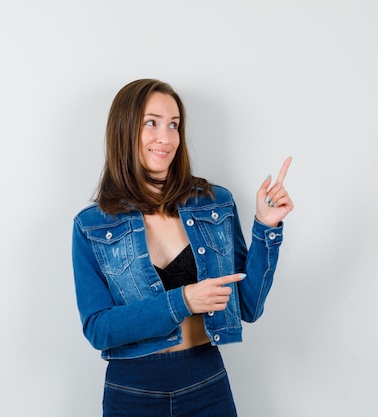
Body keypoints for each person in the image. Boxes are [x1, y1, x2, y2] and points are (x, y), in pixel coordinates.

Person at [71, 79, 293, 417]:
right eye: (152, 123)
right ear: (124, 129)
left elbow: (248, 305)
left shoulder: (214, 205)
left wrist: (266, 227)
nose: (166, 137)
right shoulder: (92, 225)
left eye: (174, 125)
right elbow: (99, 329)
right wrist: (183, 300)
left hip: (206, 383)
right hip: (132, 390)